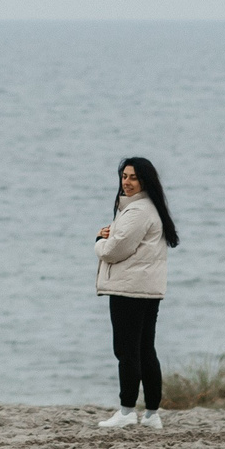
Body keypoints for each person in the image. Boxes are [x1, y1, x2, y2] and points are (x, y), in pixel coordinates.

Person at [93, 155, 179, 429]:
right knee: (145, 350)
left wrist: (98, 240)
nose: (127, 182)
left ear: (145, 180)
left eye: (133, 177)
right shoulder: (150, 208)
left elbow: (113, 251)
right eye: (124, 176)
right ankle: (152, 413)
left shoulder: (139, 211)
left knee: (127, 351)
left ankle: (127, 411)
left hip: (130, 289)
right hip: (147, 289)